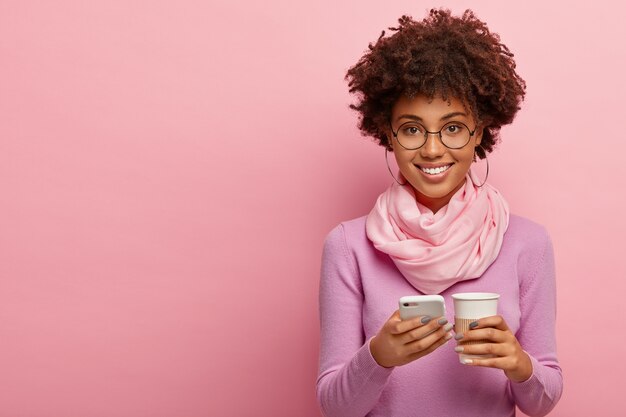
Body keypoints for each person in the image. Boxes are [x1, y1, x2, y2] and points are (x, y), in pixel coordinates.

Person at [316, 9, 563, 417]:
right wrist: (378, 356)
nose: (432, 150)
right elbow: (336, 407)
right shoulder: (348, 246)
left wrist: (518, 364)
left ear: (479, 132)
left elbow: (543, 401)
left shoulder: (529, 244)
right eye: (412, 129)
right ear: (388, 134)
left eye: (452, 127)